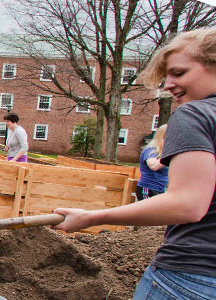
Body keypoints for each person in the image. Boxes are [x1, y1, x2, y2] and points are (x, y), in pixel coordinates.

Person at [52, 28, 216, 299]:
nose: (168, 85)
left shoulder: (195, 115)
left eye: (178, 73)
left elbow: (188, 204)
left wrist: (92, 217)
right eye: (166, 78)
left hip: (191, 278)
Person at [136, 124, 168, 201]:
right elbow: (153, 166)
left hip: (160, 189)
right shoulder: (151, 150)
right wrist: (169, 157)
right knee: (147, 213)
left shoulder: (164, 153)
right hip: (148, 189)